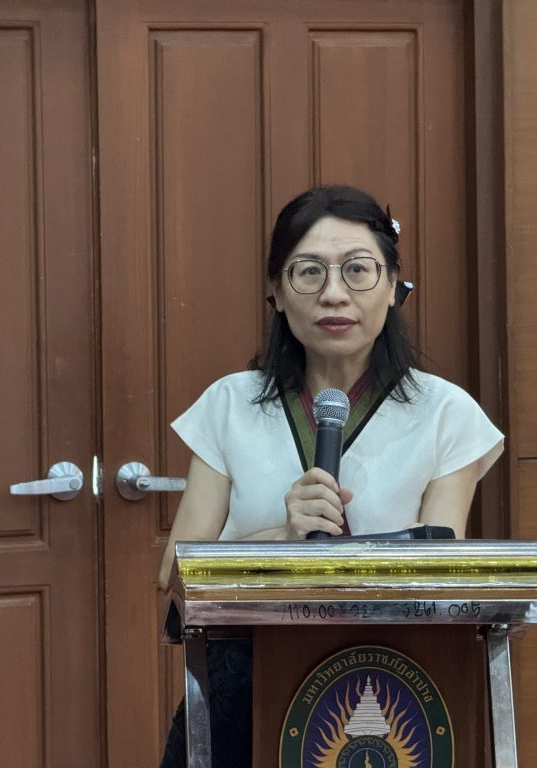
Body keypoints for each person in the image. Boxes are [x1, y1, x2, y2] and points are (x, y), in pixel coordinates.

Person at [156, 185, 503, 766]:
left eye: (358, 270)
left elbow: (441, 582)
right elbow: (174, 573)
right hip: (240, 687)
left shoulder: (446, 413)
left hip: (394, 685)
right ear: (276, 291)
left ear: (393, 287)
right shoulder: (230, 405)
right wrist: (280, 541)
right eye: (309, 272)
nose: (334, 293)